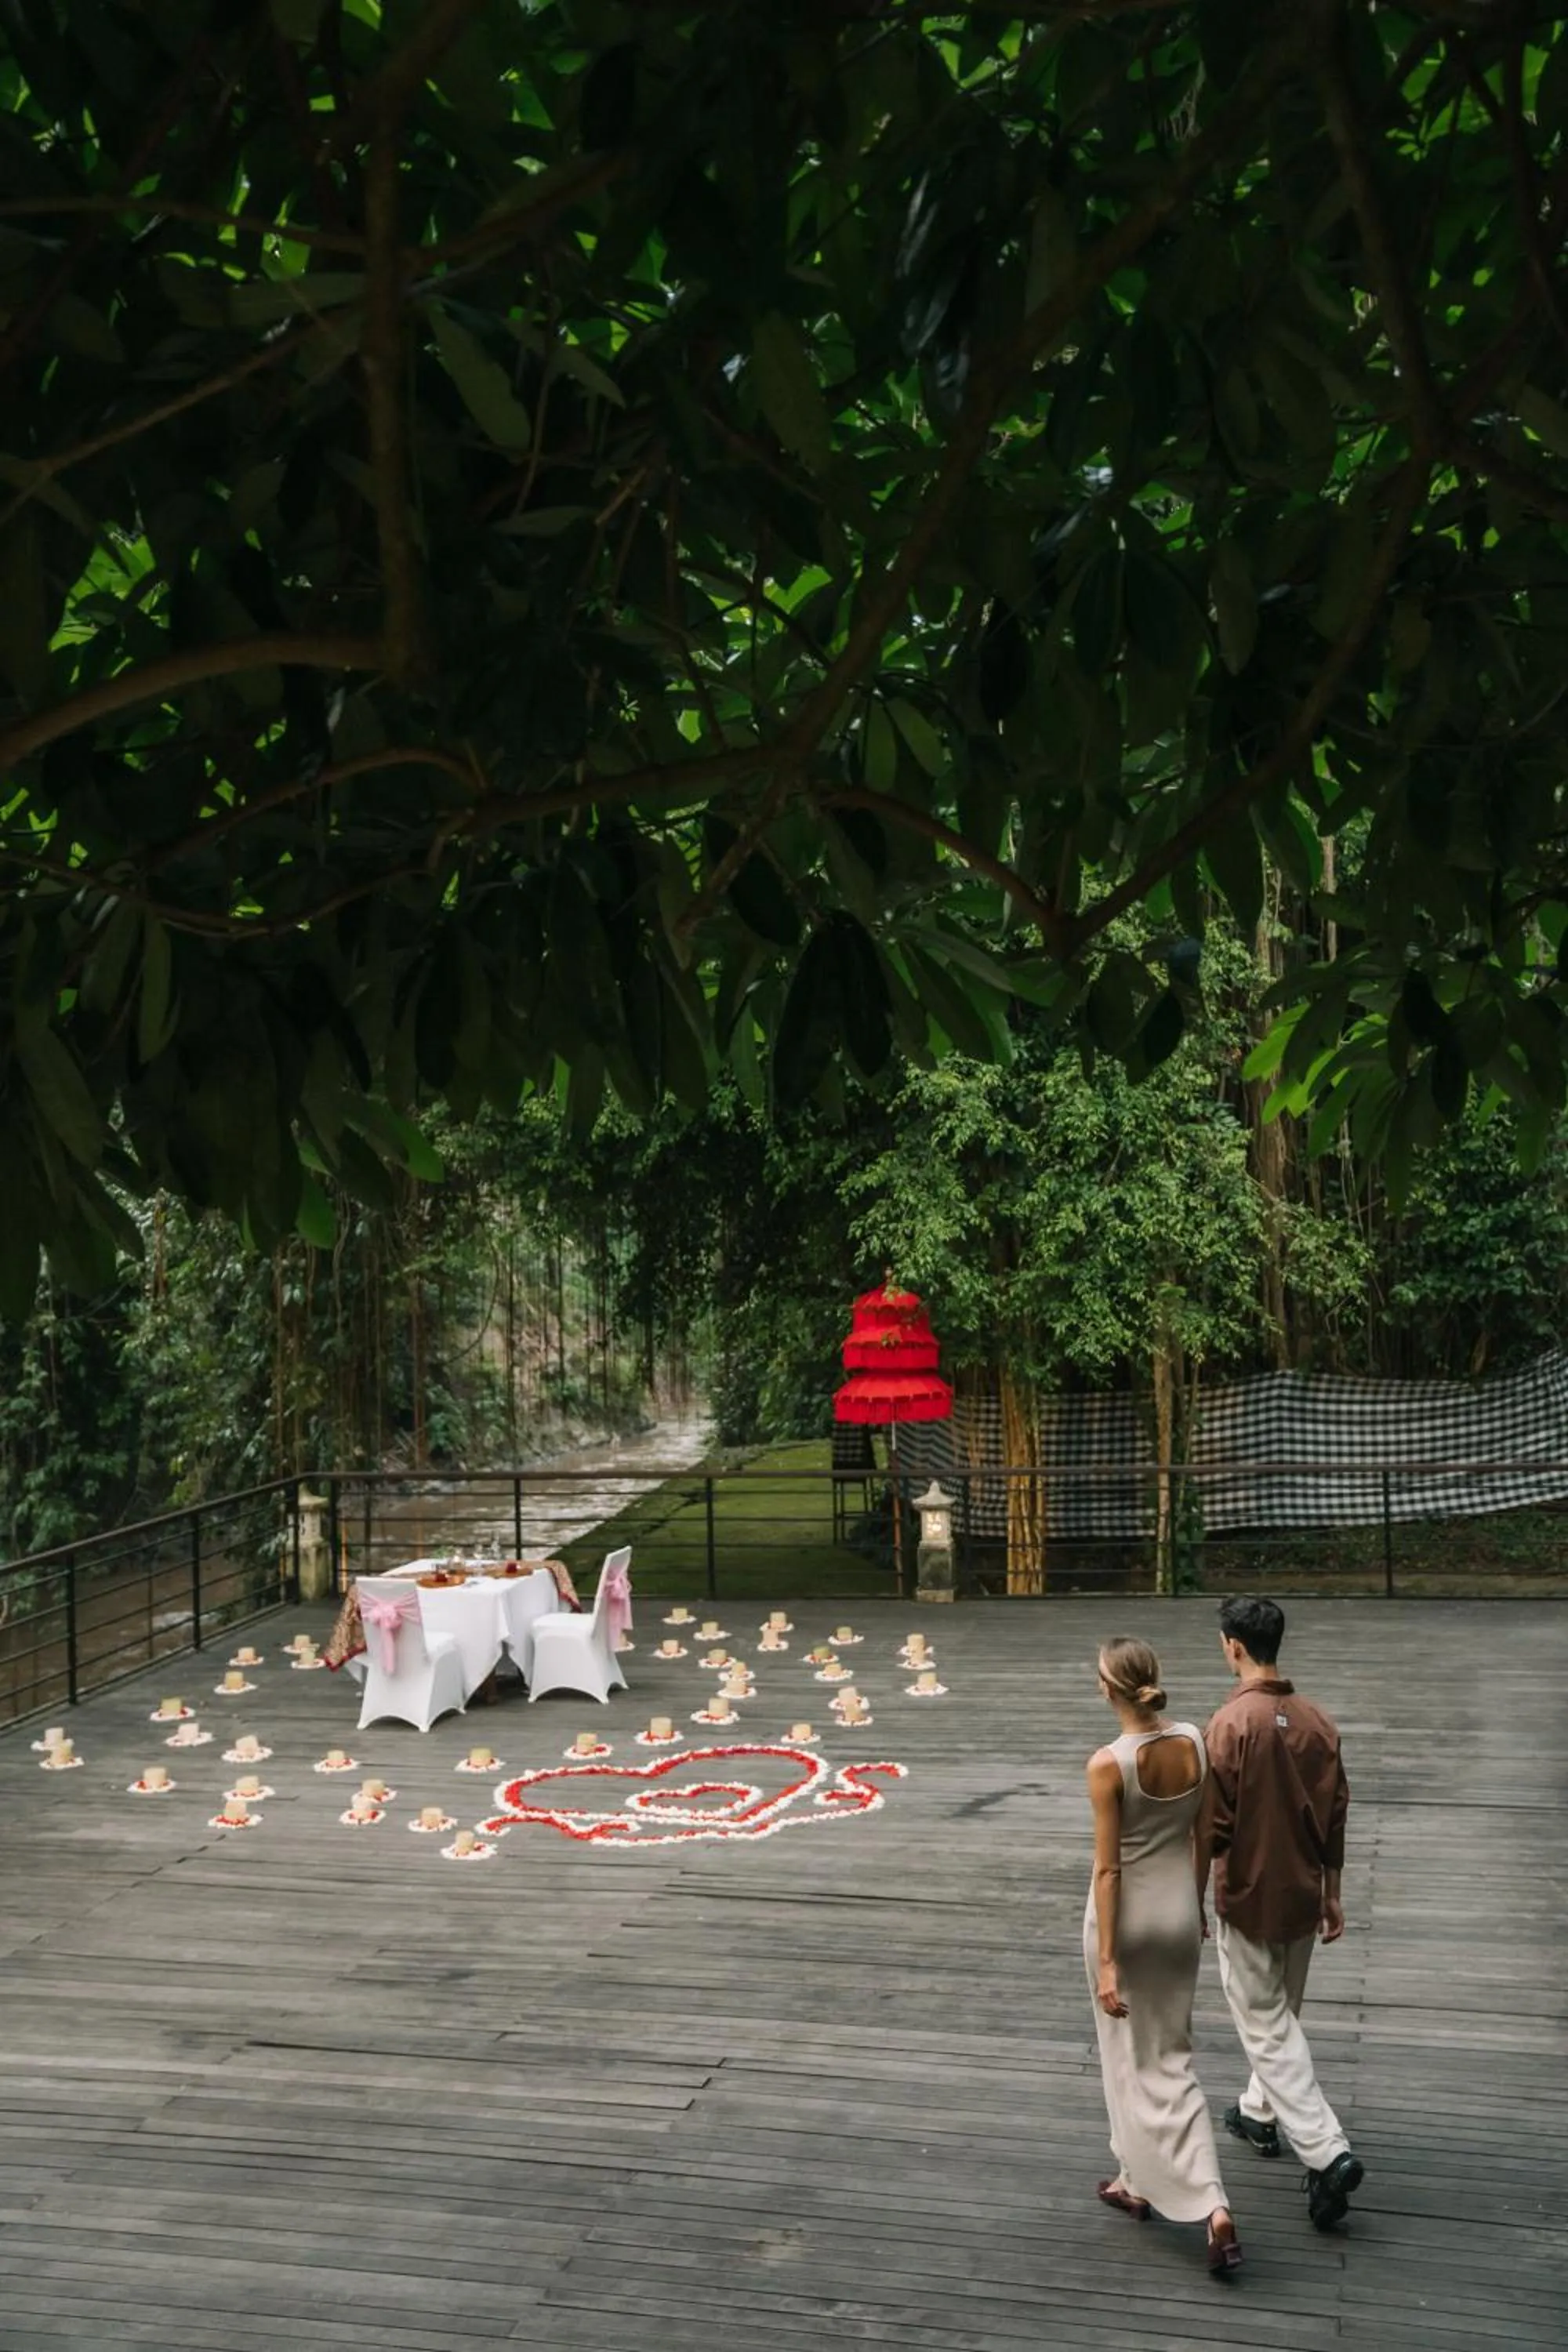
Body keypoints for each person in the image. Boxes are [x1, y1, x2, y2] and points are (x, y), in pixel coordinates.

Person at [1196, 1595, 1365, 2232]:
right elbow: (1337, 1813)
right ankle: (1258, 2112)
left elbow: (1211, 1825)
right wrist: (1333, 1891)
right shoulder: (1318, 1722)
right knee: (1281, 2016)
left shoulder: (1229, 1724)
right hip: (1303, 1892)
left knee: (1265, 2024)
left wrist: (1189, 1896)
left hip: (1248, 1893)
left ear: (1234, 1646)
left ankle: (1328, 2150)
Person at [1084, 1635, 1242, 2278]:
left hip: (1126, 1926)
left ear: (1108, 1689)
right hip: (1178, 1915)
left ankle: (1203, 2198)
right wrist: (1194, 1903)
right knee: (1169, 2054)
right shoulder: (1195, 1742)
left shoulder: (1108, 1764)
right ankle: (1143, 2181)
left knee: (1132, 2057)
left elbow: (1109, 1870)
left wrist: (1108, 1960)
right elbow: (1204, 1833)